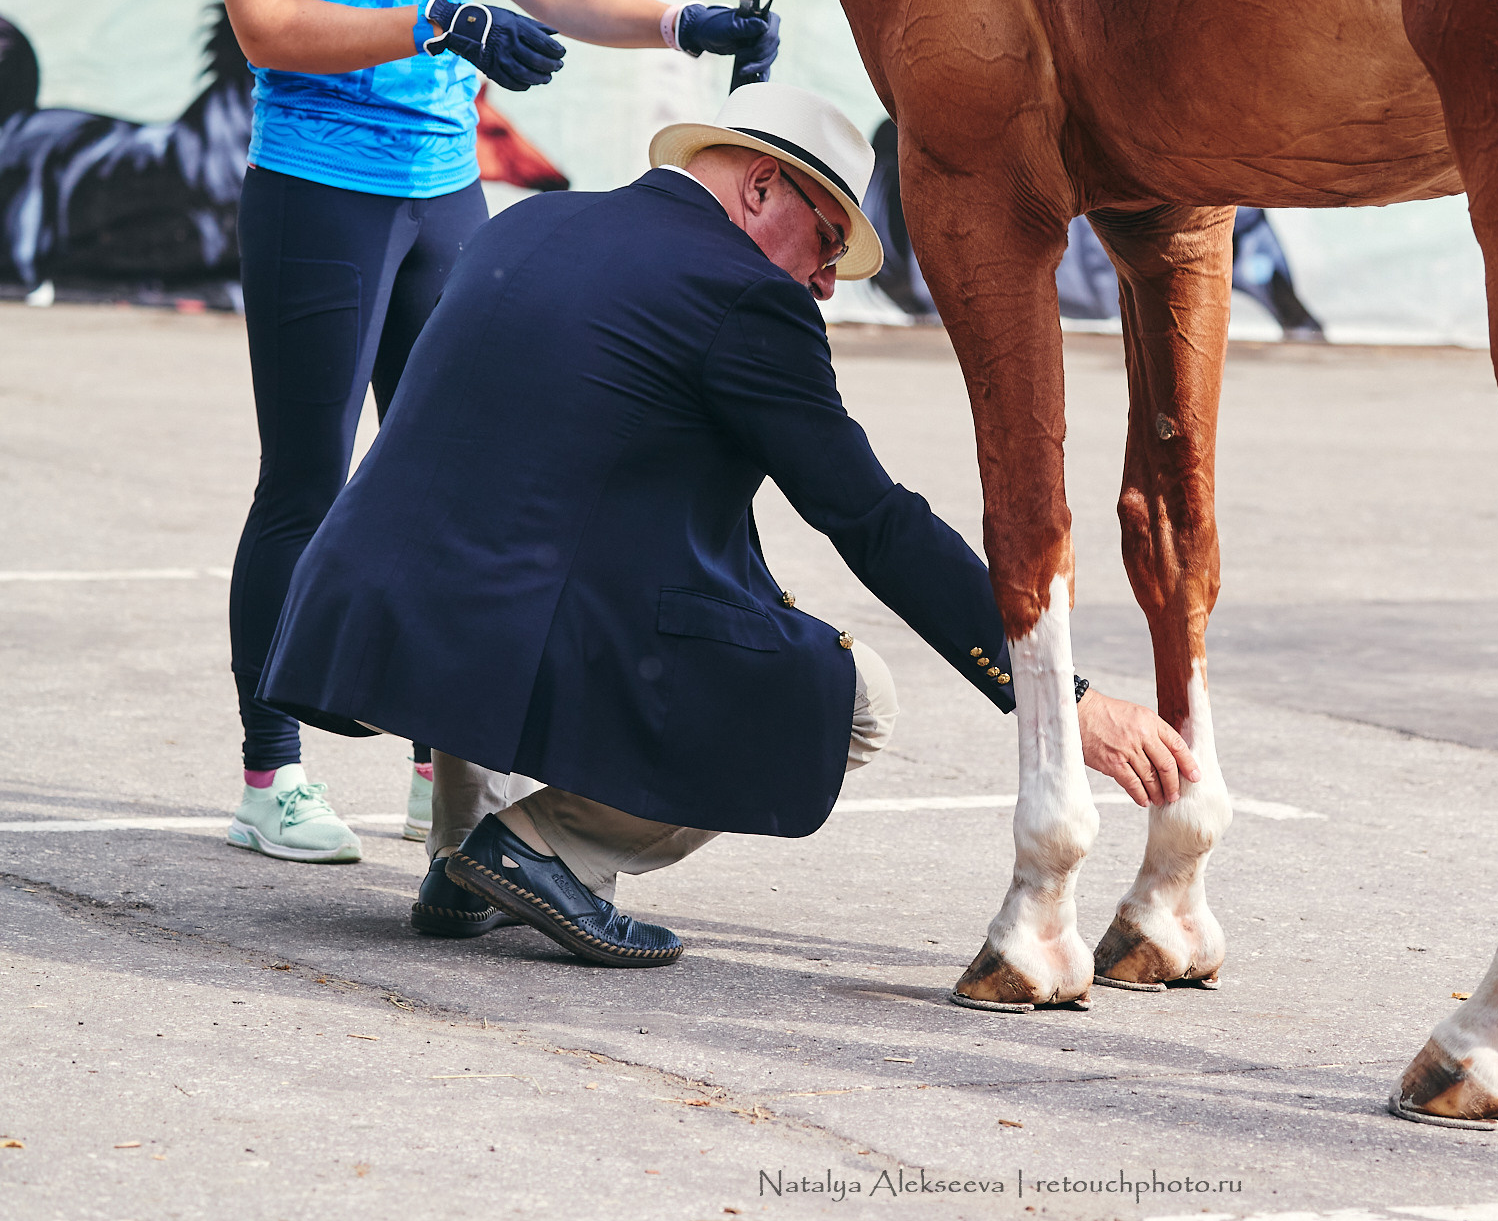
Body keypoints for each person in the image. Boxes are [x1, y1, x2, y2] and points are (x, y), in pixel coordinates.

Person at [255, 83, 1202, 965]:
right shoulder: (744, 295)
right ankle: (541, 848)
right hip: (487, 621)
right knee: (856, 699)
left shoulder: (534, 220)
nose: (827, 282)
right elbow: (874, 520)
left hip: (363, 617)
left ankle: (461, 862)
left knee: (515, 555)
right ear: (760, 186)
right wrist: (1058, 696)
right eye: (828, 244)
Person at [204, 0, 778, 863]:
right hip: (318, 190)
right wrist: (439, 21)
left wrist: (681, 25)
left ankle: (446, 770)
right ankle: (274, 777)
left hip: (443, 191)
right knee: (305, 481)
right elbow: (266, 26)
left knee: (457, 486)